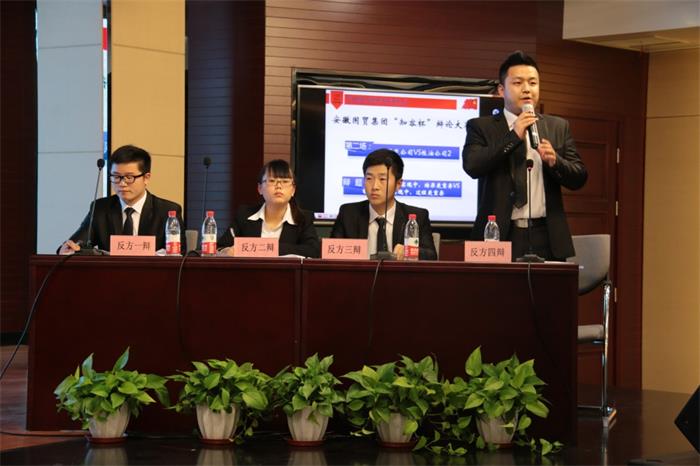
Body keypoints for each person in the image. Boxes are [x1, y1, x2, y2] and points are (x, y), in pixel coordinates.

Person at [462, 51, 587, 261]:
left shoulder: (557, 126)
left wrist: (556, 162)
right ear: (501, 90)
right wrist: (513, 136)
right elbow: (472, 166)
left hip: (546, 234)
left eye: (533, 83)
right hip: (498, 233)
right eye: (518, 83)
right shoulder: (481, 127)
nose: (527, 89)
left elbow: (579, 178)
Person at [58, 145, 185, 254]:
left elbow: (180, 255)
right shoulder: (100, 208)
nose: (122, 184)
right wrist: (67, 249)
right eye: (116, 177)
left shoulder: (167, 211)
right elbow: (75, 243)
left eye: (129, 177)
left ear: (146, 178)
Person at [331, 148, 437, 260]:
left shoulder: (416, 217)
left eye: (382, 179)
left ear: (398, 184)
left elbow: (431, 256)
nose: (374, 186)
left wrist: (408, 251)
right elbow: (331, 253)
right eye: (369, 178)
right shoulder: (348, 214)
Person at [218, 159, 320, 258]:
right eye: (272, 181)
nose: (278, 186)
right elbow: (221, 247)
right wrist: (226, 251)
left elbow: (313, 250)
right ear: (260, 188)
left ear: (293, 190)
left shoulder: (303, 219)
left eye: (285, 181)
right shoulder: (244, 215)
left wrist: (270, 248)